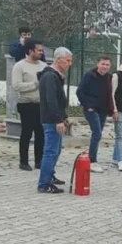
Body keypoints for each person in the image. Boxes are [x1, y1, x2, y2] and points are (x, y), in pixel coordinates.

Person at [37, 48, 72, 194]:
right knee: (50, 151)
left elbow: (59, 100)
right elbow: (51, 100)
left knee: (55, 150)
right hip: (51, 120)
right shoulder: (50, 76)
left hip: (55, 118)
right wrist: (58, 120)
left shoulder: (55, 76)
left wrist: (63, 116)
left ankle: (50, 175)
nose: (70, 64)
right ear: (58, 59)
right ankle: (44, 183)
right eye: (68, 60)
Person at [11, 39, 47, 171]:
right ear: (30, 51)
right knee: (26, 133)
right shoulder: (20, 66)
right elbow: (16, 85)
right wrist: (35, 85)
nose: (41, 52)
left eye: (42, 50)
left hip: (41, 105)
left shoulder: (44, 66)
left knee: (40, 134)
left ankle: (39, 161)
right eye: (39, 50)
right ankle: (24, 161)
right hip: (26, 104)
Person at [76, 55, 114, 172]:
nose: (105, 67)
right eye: (103, 64)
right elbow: (79, 91)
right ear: (97, 64)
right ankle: (92, 160)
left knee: (97, 134)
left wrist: (111, 109)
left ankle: (92, 157)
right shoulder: (90, 75)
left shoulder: (109, 77)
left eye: (107, 65)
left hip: (103, 110)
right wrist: (88, 105)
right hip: (91, 110)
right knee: (97, 133)